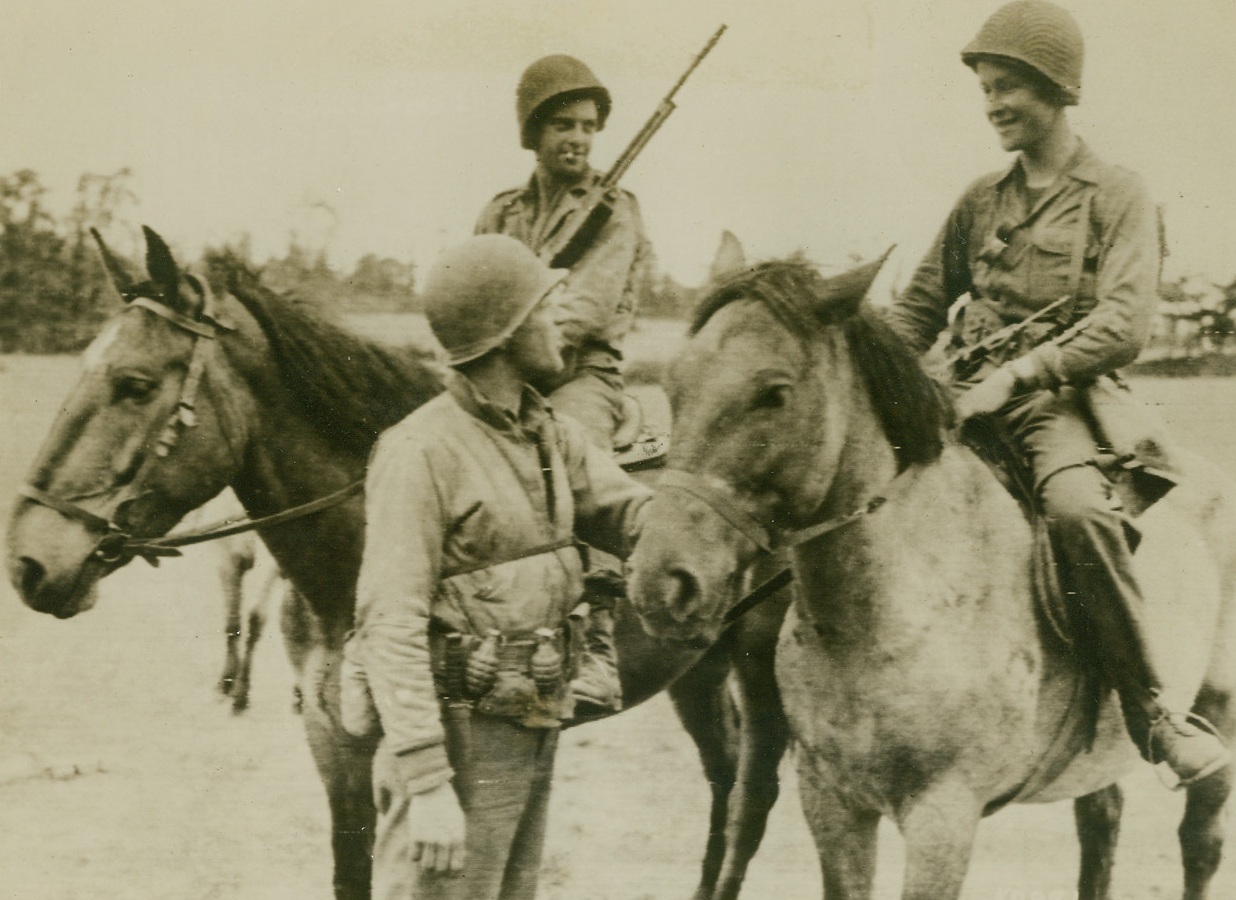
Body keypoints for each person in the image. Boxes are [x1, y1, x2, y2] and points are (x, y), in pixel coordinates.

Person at [888, 0, 1229, 786]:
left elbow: (1123, 323)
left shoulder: (1117, 194)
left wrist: (1018, 374)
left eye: (1009, 86)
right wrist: (879, 375)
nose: (994, 104)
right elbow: (917, 310)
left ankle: (1153, 714)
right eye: (986, 89)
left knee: (1078, 515)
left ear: (1057, 88)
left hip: (1058, 407)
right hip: (959, 399)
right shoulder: (980, 199)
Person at [349, 234, 651, 900]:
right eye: (548, 311)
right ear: (507, 332)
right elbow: (389, 623)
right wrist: (428, 783)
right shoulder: (419, 452)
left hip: (532, 717)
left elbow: (634, 517)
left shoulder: (550, 434)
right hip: (455, 736)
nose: (561, 330)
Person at [475, 54, 655, 713]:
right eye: (561, 125)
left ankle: (600, 642)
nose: (577, 138)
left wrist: (509, 345)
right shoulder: (500, 214)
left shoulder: (615, 214)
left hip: (579, 376)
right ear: (533, 132)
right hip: (499, 376)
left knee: (574, 453)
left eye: (587, 126)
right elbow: (471, 291)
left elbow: (580, 317)